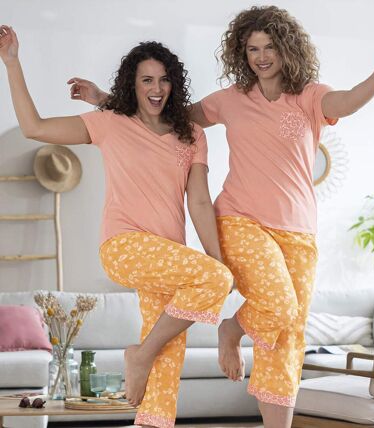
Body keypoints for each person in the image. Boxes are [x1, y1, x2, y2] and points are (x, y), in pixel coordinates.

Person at [66, 5, 374, 428]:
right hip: (240, 220)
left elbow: (345, 101)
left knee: (288, 334)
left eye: (269, 47)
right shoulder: (230, 100)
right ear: (241, 53)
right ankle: (231, 329)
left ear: (287, 49)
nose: (261, 57)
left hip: (300, 231)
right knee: (279, 305)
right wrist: (105, 100)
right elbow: (162, 116)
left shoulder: (310, 96)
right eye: (252, 49)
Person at [0, 25, 233, 428]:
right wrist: (12, 62)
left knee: (166, 372)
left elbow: (198, 200)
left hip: (168, 261)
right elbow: (35, 126)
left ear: (174, 84)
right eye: (147, 80)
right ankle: (139, 354)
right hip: (124, 246)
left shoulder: (192, 134)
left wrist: (218, 262)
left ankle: (149, 402)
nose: (156, 88)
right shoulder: (110, 122)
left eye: (164, 80)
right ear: (133, 85)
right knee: (207, 288)